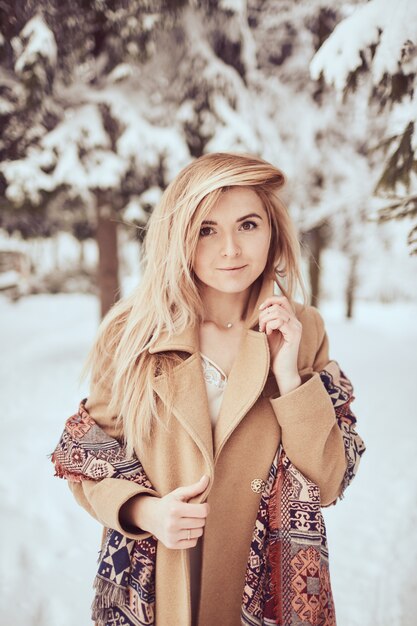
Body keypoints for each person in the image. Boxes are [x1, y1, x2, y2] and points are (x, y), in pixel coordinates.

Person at [52, 152, 365, 626]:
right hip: (164, 581)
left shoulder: (304, 328)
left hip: (262, 590)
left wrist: (289, 377)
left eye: (248, 225)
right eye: (207, 229)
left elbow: (325, 482)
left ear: (273, 231)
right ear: (179, 236)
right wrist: (145, 511)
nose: (231, 250)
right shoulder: (131, 332)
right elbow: (87, 458)